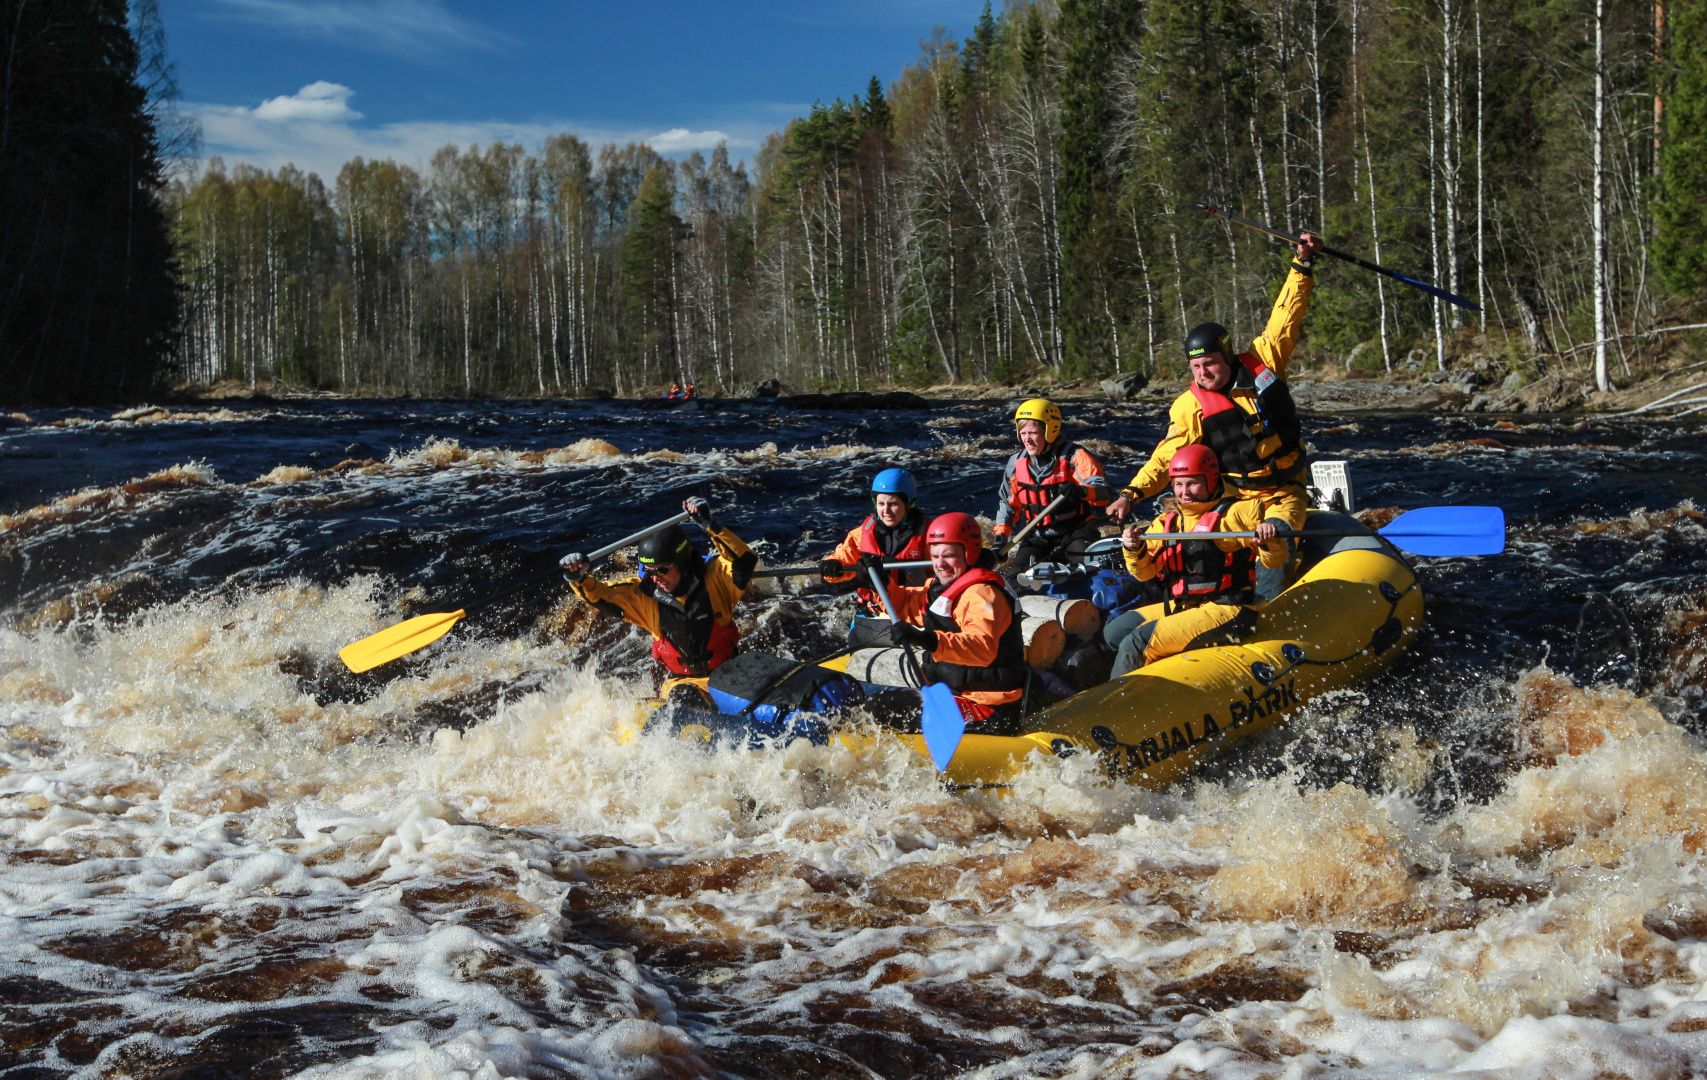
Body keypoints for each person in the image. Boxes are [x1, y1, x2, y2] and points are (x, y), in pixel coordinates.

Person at [1105, 231, 1325, 556]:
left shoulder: (1264, 360)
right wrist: (1131, 494)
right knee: (1211, 549)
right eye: (1196, 367)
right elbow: (1166, 459)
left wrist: (1302, 263)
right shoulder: (1190, 406)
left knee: (1274, 541)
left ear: (1228, 356)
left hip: (1285, 490)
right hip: (1235, 498)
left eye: (1210, 363)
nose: (1203, 372)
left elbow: (1286, 316)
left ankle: (1276, 579)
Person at [1101, 445, 1292, 676]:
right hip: (1186, 605)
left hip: (1230, 608)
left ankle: (1118, 704)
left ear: (1211, 480)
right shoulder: (1167, 522)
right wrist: (1133, 548)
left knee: (1136, 641)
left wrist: (1267, 539)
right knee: (1114, 632)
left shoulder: (1239, 513)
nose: (1184, 492)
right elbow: (1145, 574)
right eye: (1178, 484)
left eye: (1192, 483)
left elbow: (1274, 561)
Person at [560, 497, 757, 679]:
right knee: (686, 696)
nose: (656, 578)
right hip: (681, 683)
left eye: (663, 570)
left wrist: (710, 525)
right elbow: (601, 596)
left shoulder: (715, 577)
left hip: (729, 674)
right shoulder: (643, 596)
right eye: (650, 571)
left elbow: (744, 560)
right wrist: (578, 578)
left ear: (682, 561)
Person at [874, 511, 1030, 732]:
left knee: (884, 708)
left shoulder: (983, 595)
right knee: (881, 704)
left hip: (989, 706)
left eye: (948, 556)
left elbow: (982, 647)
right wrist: (881, 583)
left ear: (969, 553)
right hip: (955, 692)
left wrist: (927, 639)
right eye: (935, 556)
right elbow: (908, 605)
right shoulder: (942, 587)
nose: (940, 564)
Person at [992, 398, 1112, 572]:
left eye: (1033, 433)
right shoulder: (1015, 464)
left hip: (1076, 532)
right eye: (1023, 433)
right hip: (1038, 537)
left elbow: (1104, 494)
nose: (1027, 439)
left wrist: (1081, 491)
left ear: (1050, 430)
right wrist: (1000, 538)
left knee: (1094, 570)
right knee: (1013, 579)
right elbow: (1008, 505)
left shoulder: (1075, 456)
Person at [819, 467, 929, 624]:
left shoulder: (930, 534)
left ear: (909, 504)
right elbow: (843, 558)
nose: (886, 511)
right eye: (881, 504)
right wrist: (832, 565)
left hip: (916, 612)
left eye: (893, 504)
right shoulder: (861, 534)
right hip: (874, 612)